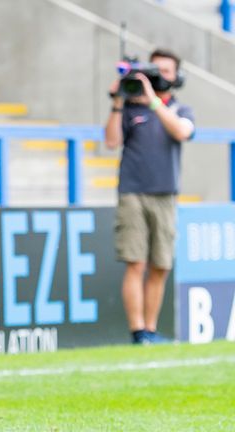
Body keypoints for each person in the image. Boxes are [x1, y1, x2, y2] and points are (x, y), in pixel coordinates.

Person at [104, 48, 194, 345]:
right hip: (132, 192)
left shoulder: (180, 109)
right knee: (136, 262)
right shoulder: (130, 108)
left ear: (176, 77)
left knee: (161, 264)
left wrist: (154, 102)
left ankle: (152, 329)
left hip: (165, 194)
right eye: (154, 70)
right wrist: (118, 101)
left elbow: (182, 132)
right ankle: (139, 331)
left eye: (165, 71)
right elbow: (111, 141)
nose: (157, 77)